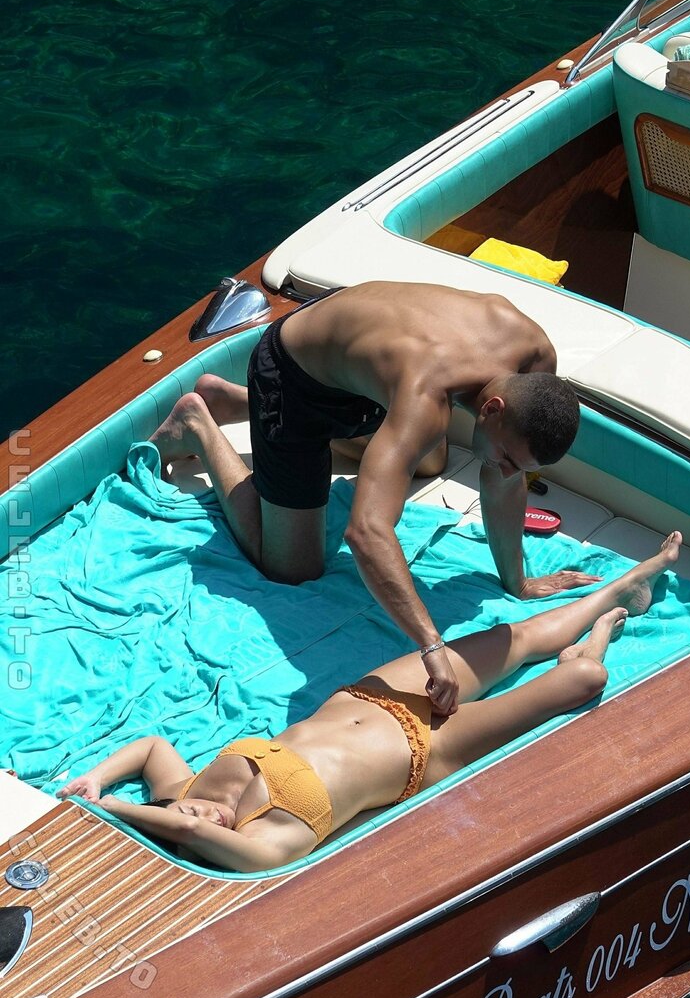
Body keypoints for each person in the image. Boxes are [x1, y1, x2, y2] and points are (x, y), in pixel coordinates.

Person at [57, 531, 681, 873]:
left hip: (372, 695)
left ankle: (622, 588)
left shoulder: (184, 790)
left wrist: (96, 780)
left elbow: (150, 748)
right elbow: (181, 827)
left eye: (186, 809)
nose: (200, 814)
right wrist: (117, 813)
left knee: (512, 640)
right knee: (582, 681)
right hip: (427, 750)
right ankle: (597, 638)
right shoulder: (261, 846)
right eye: (195, 828)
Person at [149, 281, 600, 717]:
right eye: (507, 459)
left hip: (356, 363)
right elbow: (366, 532)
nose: (506, 473)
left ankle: (235, 402)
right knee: (292, 568)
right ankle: (199, 423)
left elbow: (502, 479)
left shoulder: (535, 357)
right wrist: (432, 645)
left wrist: (517, 581)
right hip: (292, 375)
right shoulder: (425, 400)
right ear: (492, 408)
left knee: (428, 460)